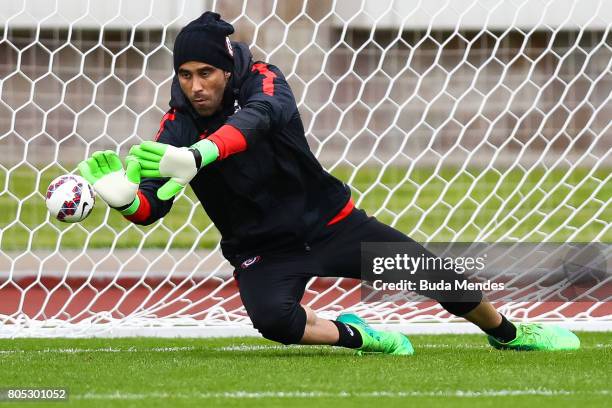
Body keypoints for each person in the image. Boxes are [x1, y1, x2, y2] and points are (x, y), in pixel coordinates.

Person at [78, 12, 580, 354]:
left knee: (439, 278)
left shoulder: (265, 81)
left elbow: (260, 118)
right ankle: (358, 336)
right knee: (274, 323)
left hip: (333, 225)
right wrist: (125, 201)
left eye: (205, 72)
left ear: (228, 68)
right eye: (185, 74)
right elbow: (152, 207)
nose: (195, 85)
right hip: (264, 249)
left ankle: (509, 334)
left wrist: (200, 154)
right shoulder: (176, 124)